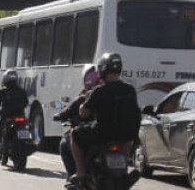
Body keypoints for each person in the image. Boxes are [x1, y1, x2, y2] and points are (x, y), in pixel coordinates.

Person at [59, 53, 141, 183]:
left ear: (103, 70)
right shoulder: (130, 90)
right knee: (128, 141)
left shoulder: (99, 91)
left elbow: (84, 112)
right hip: (126, 134)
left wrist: (83, 104)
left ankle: (80, 172)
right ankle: (124, 169)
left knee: (74, 134)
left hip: (102, 133)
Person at [0, 69, 31, 157]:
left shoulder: (3, 91)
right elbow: (26, 103)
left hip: (6, 117)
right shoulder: (22, 91)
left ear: (5, 78)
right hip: (20, 117)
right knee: (25, 127)